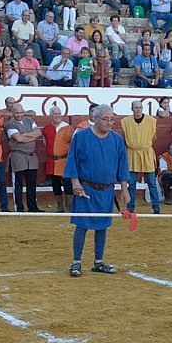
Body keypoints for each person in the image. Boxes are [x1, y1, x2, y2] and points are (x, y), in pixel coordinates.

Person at [64, 105, 131, 275]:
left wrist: (124, 189)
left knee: (102, 226)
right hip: (86, 189)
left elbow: (123, 165)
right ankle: (76, 262)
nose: (109, 123)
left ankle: (99, 261)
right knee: (82, 225)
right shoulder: (81, 137)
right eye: (105, 119)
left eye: (112, 119)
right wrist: (75, 183)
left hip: (106, 191)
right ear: (95, 118)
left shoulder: (117, 140)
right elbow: (72, 161)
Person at [120, 100, 162, 215]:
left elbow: (154, 137)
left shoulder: (151, 120)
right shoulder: (126, 121)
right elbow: (124, 138)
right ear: (132, 109)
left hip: (146, 152)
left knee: (152, 183)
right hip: (132, 153)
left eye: (140, 107)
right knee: (132, 184)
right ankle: (130, 207)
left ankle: (156, 207)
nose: (138, 109)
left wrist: (144, 145)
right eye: (136, 107)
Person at [5, 101, 43, 213]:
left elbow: (38, 133)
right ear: (12, 113)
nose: (19, 115)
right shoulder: (10, 124)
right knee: (18, 184)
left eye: (21, 112)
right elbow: (19, 139)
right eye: (17, 113)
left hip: (31, 156)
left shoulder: (29, 120)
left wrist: (25, 134)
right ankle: (19, 208)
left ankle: (33, 207)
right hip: (18, 156)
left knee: (32, 184)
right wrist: (31, 136)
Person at [43, 106, 72, 213]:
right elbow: (45, 143)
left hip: (64, 161)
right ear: (50, 115)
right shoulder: (47, 128)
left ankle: (69, 208)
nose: (57, 116)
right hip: (52, 161)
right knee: (55, 185)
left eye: (59, 113)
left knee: (68, 184)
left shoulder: (68, 128)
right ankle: (60, 207)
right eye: (55, 114)